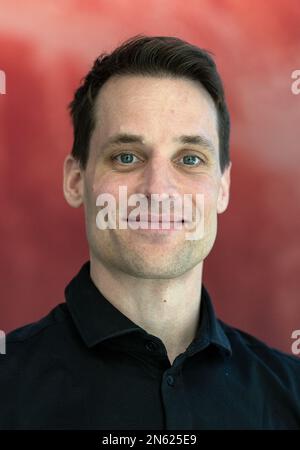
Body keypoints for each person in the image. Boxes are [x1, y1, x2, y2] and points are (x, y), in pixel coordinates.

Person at [0, 35, 299, 430]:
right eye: (126, 157)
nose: (158, 191)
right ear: (75, 180)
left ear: (222, 188)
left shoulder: (291, 394)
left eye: (189, 158)